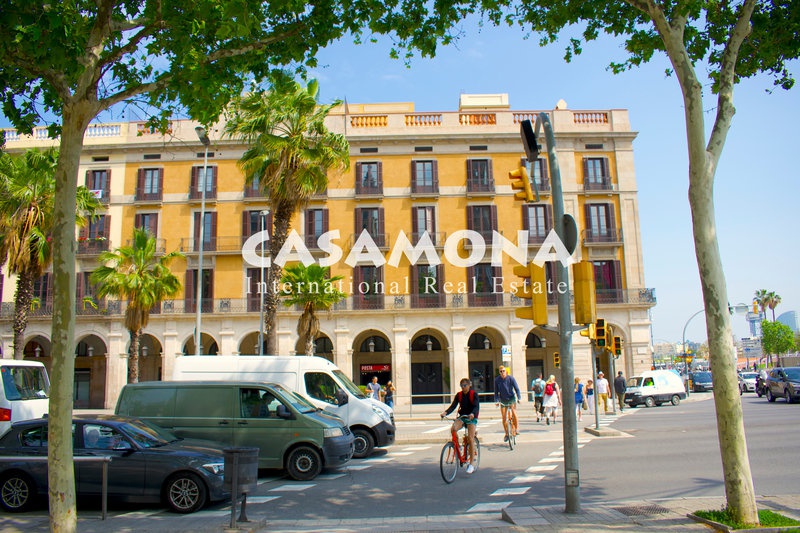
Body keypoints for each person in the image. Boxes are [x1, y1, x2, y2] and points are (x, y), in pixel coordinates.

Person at [441, 378, 480, 474]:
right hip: (462, 416)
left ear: (469, 385)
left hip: (471, 417)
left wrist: (472, 414)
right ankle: (457, 446)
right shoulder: (459, 395)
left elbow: (476, 406)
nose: (463, 387)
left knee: (470, 438)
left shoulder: (473, 394)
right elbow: (453, 406)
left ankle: (471, 464)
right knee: (453, 429)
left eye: (465, 385)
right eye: (461, 386)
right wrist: (446, 412)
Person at [493, 365, 521, 440]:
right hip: (503, 400)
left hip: (511, 398)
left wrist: (519, 398)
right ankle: (506, 434)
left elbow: (517, 389)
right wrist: (496, 401)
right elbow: (496, 392)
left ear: (506, 371)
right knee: (504, 417)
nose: (502, 373)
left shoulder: (511, 378)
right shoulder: (497, 380)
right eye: (501, 371)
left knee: (513, 412)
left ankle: (517, 428)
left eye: (503, 371)